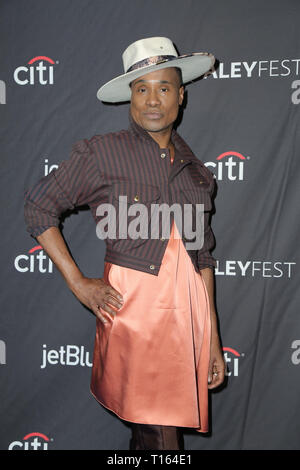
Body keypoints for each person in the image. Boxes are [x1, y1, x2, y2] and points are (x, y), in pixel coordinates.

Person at [24, 36, 226, 450]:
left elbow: (202, 259)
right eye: (142, 88)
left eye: (164, 88)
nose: (153, 100)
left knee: (151, 434)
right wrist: (79, 282)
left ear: (181, 95)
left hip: (185, 321)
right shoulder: (102, 154)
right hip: (135, 318)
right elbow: (38, 207)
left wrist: (212, 342)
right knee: (159, 431)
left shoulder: (197, 174)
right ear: (130, 97)